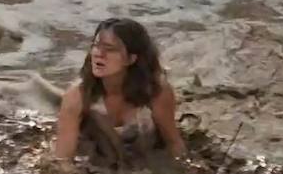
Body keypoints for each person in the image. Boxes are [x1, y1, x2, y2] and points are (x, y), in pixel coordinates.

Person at [53, 17, 185, 162]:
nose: (99, 54)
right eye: (96, 46)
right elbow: (62, 159)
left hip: (144, 161)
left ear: (131, 59)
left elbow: (173, 143)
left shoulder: (155, 92)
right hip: (97, 163)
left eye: (110, 49)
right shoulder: (78, 96)